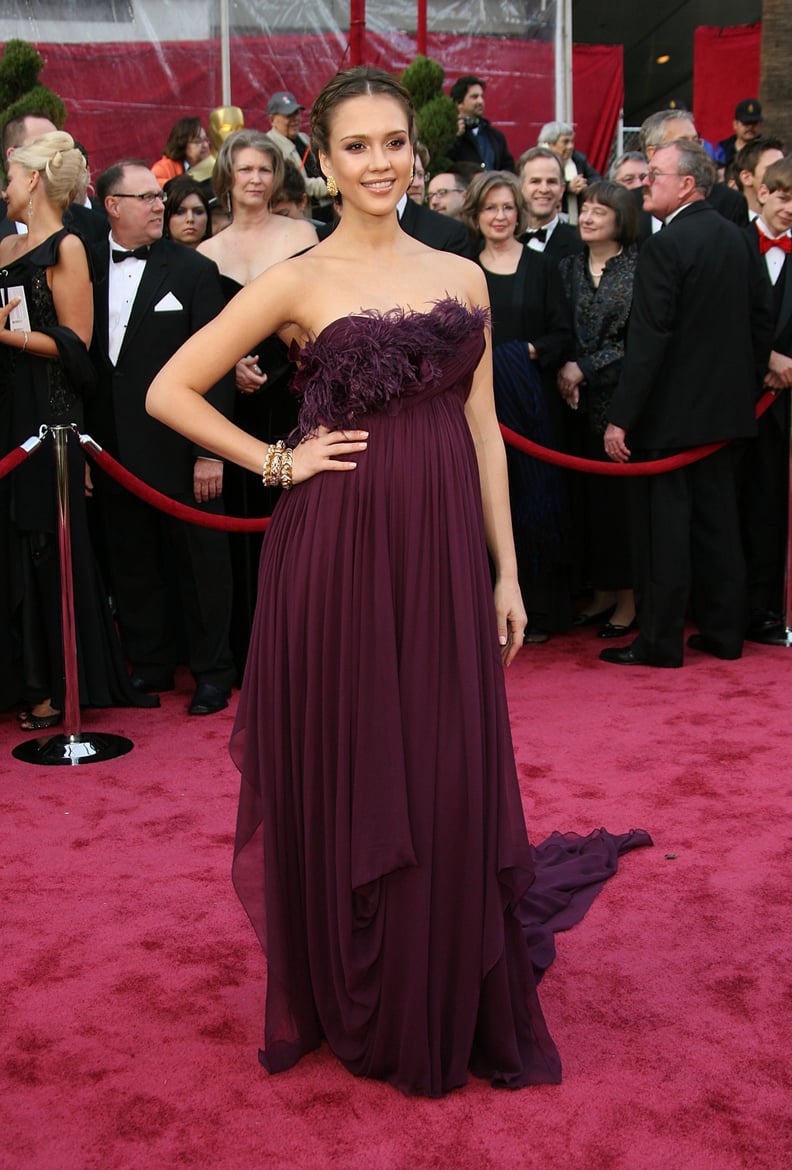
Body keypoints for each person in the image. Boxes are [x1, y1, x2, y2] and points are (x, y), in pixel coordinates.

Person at [147, 66, 649, 1097]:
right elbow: (168, 389)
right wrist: (276, 463)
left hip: (439, 549)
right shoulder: (297, 278)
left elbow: (484, 436)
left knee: (443, 762)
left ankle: (439, 979)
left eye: (393, 143)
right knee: (357, 752)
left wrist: (507, 572)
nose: (380, 162)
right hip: (333, 551)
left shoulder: (463, 275)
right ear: (323, 164)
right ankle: (358, 979)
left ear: (415, 153)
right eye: (357, 146)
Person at [0, 133, 156, 724]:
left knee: (47, 545)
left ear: (34, 180)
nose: (5, 187)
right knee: (12, 546)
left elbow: (78, 346)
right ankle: (24, 678)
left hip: (52, 415)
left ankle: (57, 686)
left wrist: (6, 336)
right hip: (7, 410)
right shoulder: (4, 246)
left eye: (11, 176)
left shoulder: (67, 247)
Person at [601, 141, 773, 668]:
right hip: (728, 417)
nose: (645, 182)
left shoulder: (666, 245)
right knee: (720, 526)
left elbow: (650, 341)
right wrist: (743, 395)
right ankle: (724, 635)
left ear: (688, 185)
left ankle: (660, 642)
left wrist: (620, 417)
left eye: (655, 174)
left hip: (669, 422)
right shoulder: (739, 240)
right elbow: (761, 321)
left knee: (665, 535)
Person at [87, 159, 236, 715]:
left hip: (182, 446)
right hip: (111, 449)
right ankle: (148, 662)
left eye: (161, 196)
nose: (161, 206)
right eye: (147, 197)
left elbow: (217, 365)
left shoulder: (194, 270)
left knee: (201, 563)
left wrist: (209, 451)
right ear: (112, 206)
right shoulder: (84, 266)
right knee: (130, 557)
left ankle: (212, 672)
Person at [198, 130, 318, 667]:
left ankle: (302, 644)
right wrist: (230, 373)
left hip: (296, 395)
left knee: (301, 523)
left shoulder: (302, 235)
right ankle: (251, 649)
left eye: (264, 170)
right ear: (227, 176)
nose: (254, 179)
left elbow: (319, 315)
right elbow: (202, 339)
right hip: (234, 408)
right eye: (244, 169)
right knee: (241, 523)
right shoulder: (204, 253)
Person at [462, 169, 572, 642]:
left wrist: (527, 353)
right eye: (491, 208)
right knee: (478, 502)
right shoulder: (462, 268)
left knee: (535, 503)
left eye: (508, 207)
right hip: (474, 407)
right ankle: (482, 608)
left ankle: (540, 609)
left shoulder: (543, 267)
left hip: (533, 408)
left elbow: (564, 332)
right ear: (476, 214)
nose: (500, 216)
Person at [557, 182, 639, 637]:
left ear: (620, 219)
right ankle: (602, 593)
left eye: (599, 211)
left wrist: (585, 367)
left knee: (619, 507)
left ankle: (628, 599)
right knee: (587, 504)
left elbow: (638, 343)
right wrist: (567, 371)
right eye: (584, 209)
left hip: (620, 404)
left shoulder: (639, 268)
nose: (587, 217)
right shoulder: (568, 267)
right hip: (571, 405)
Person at [741, 156, 792, 644]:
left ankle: (768, 612)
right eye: (783, 196)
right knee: (742, 504)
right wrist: (765, 363)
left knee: (774, 507)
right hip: (739, 397)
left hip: (786, 403)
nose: (790, 207)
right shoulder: (736, 243)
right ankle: (738, 608)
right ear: (761, 192)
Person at [265, 90, 329, 215]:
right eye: (288, 116)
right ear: (272, 120)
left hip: (324, 207)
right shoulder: (269, 147)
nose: (294, 119)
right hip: (301, 215)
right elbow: (297, 185)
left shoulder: (304, 138)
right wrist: (333, 184)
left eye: (296, 114)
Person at [517, 148, 584, 263]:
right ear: (521, 187)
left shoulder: (580, 244)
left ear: (562, 189)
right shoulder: (505, 238)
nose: (544, 189)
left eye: (551, 182)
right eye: (535, 181)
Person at [447, 74, 514, 172]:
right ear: (459, 103)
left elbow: (508, 167)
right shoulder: (449, 135)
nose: (481, 101)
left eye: (482, 96)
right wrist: (455, 138)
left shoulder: (496, 136)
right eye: (474, 97)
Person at [538, 121, 600, 225]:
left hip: (574, 220)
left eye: (572, 141)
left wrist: (583, 184)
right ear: (550, 144)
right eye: (565, 142)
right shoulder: (535, 161)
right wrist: (568, 187)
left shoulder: (578, 159)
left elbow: (597, 179)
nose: (570, 146)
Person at [734, 137, 785, 220]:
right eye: (773, 168)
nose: (782, 174)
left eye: (783, 169)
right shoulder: (728, 227)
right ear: (746, 178)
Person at [151, 116, 210, 186]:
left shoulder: (214, 167)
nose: (205, 145)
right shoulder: (163, 169)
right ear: (182, 143)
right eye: (197, 141)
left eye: (206, 140)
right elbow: (152, 186)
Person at [163, 175, 212, 247]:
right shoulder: (151, 257)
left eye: (198, 212)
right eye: (180, 212)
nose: (190, 219)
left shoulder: (220, 255)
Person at [717, 99, 764, 169]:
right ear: (735, 124)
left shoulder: (767, 149)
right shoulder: (723, 149)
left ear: (760, 125)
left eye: (754, 123)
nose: (750, 127)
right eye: (746, 123)